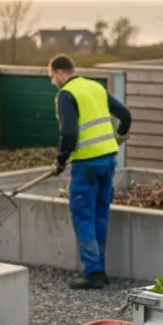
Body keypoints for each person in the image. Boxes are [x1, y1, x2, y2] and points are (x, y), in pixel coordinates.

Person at [48, 54, 131, 290]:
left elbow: (70, 133)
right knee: (99, 213)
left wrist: (61, 159)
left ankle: (93, 273)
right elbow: (125, 115)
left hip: (86, 164)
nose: (53, 82)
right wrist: (121, 136)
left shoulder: (66, 94)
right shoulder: (96, 87)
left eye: (52, 77)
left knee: (83, 214)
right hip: (108, 160)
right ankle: (100, 269)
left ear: (60, 73)